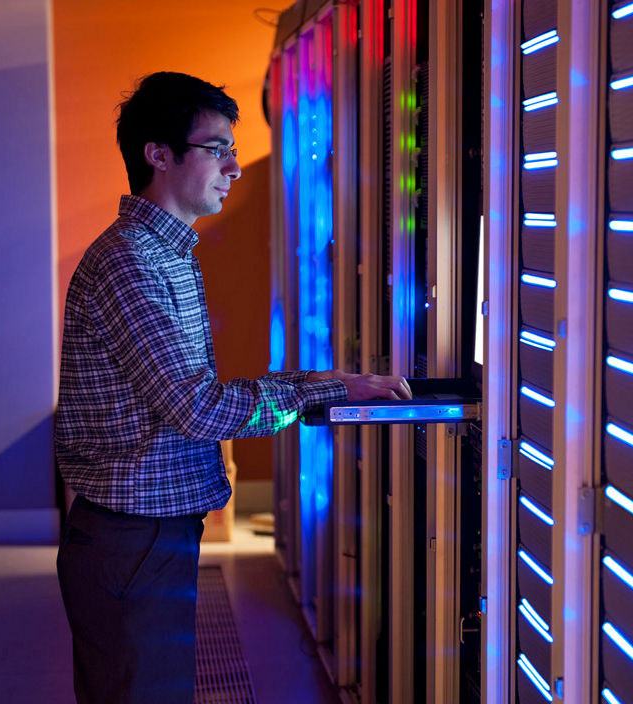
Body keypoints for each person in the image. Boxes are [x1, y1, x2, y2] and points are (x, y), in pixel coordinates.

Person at [54, 71, 411, 704]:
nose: (235, 166)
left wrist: (321, 384)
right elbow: (195, 407)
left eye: (233, 148)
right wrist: (321, 394)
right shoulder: (132, 262)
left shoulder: (166, 253)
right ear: (158, 155)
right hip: (132, 538)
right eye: (217, 148)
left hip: (146, 533)